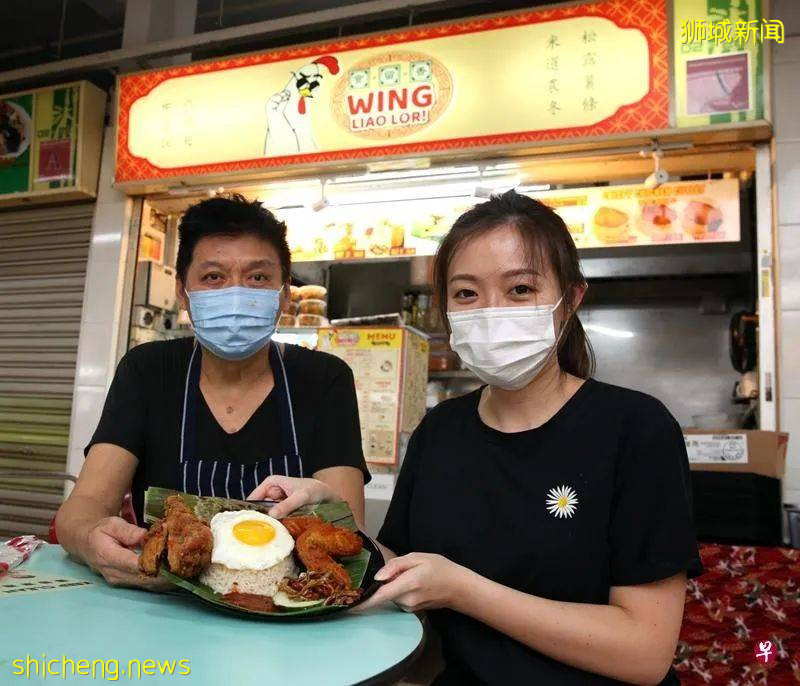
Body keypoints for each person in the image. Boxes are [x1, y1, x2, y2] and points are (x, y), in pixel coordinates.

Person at [259, 191, 702, 685]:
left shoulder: (635, 429)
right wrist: (330, 517)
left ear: (571, 299)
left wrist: (466, 591)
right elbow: (400, 567)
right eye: (467, 293)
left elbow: (644, 652)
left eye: (520, 290)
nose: (492, 312)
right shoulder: (442, 429)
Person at [56, 194, 369, 590]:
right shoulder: (148, 371)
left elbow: (349, 532)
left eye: (258, 277)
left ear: (284, 295)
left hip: (284, 609)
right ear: (183, 293)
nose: (236, 294)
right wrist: (91, 543)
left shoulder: (324, 379)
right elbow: (81, 509)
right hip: (162, 604)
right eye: (213, 277)